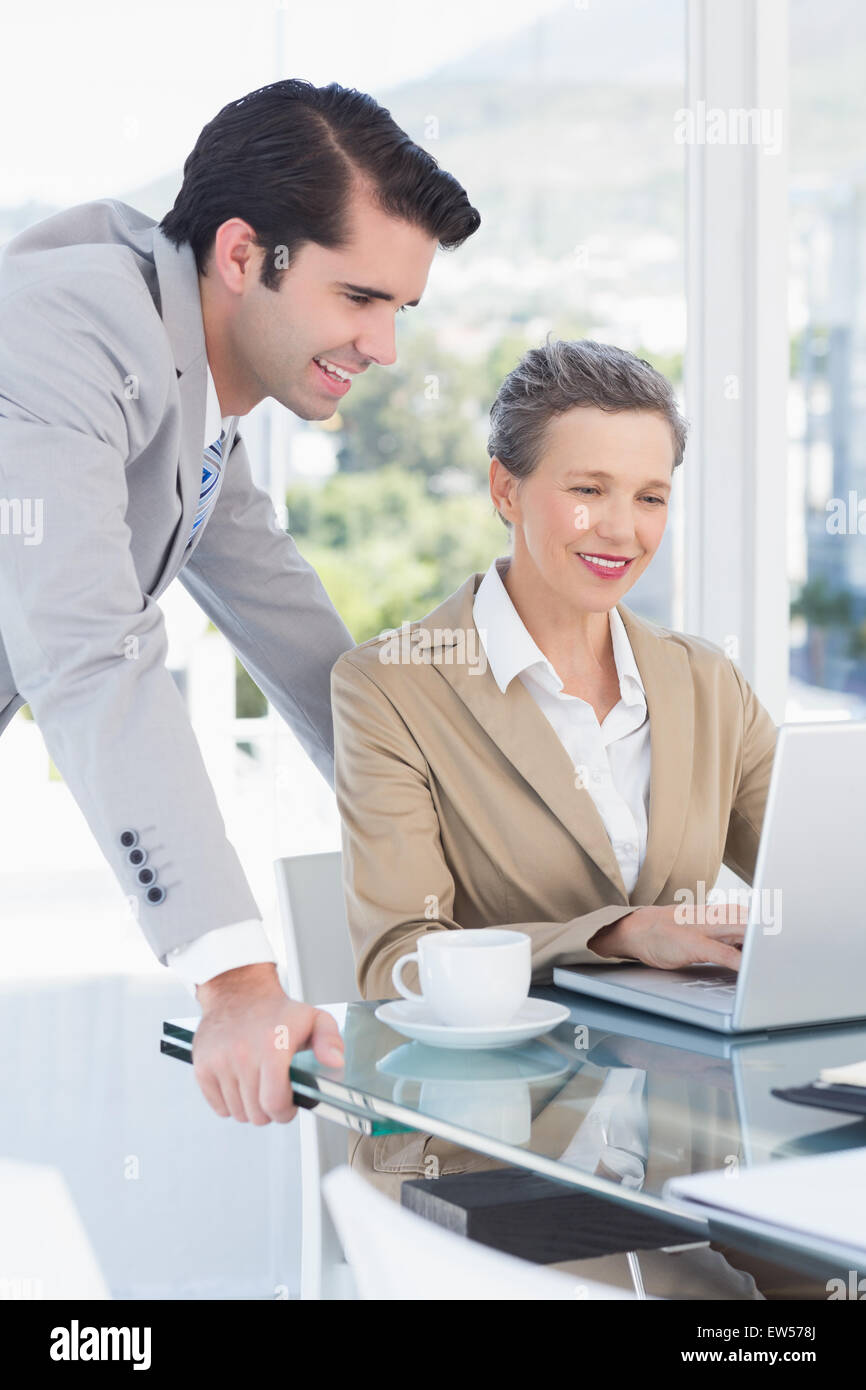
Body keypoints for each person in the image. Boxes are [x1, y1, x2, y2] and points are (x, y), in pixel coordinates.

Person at [0, 78, 480, 1125]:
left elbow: (291, 625)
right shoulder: (66, 338)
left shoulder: (187, 379)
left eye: (398, 309)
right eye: (358, 298)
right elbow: (87, 655)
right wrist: (235, 979)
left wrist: (484, 855)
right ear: (238, 255)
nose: (384, 347)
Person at [330, 337, 785, 1297]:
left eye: (651, 496)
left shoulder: (706, 682)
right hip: (494, 1150)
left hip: (699, 1141)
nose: (623, 528)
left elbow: (821, 873)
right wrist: (623, 934)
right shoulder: (393, 686)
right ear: (505, 490)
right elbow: (395, 960)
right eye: (589, 489)